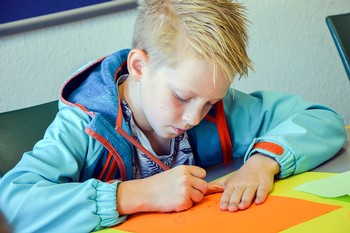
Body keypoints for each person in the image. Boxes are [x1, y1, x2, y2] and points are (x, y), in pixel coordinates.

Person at [0, 0, 346, 232]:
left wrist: (262, 164)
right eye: (182, 97)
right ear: (139, 66)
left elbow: (321, 119)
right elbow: (13, 207)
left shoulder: (216, 105)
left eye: (211, 102)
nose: (196, 117)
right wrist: (136, 194)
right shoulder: (83, 126)